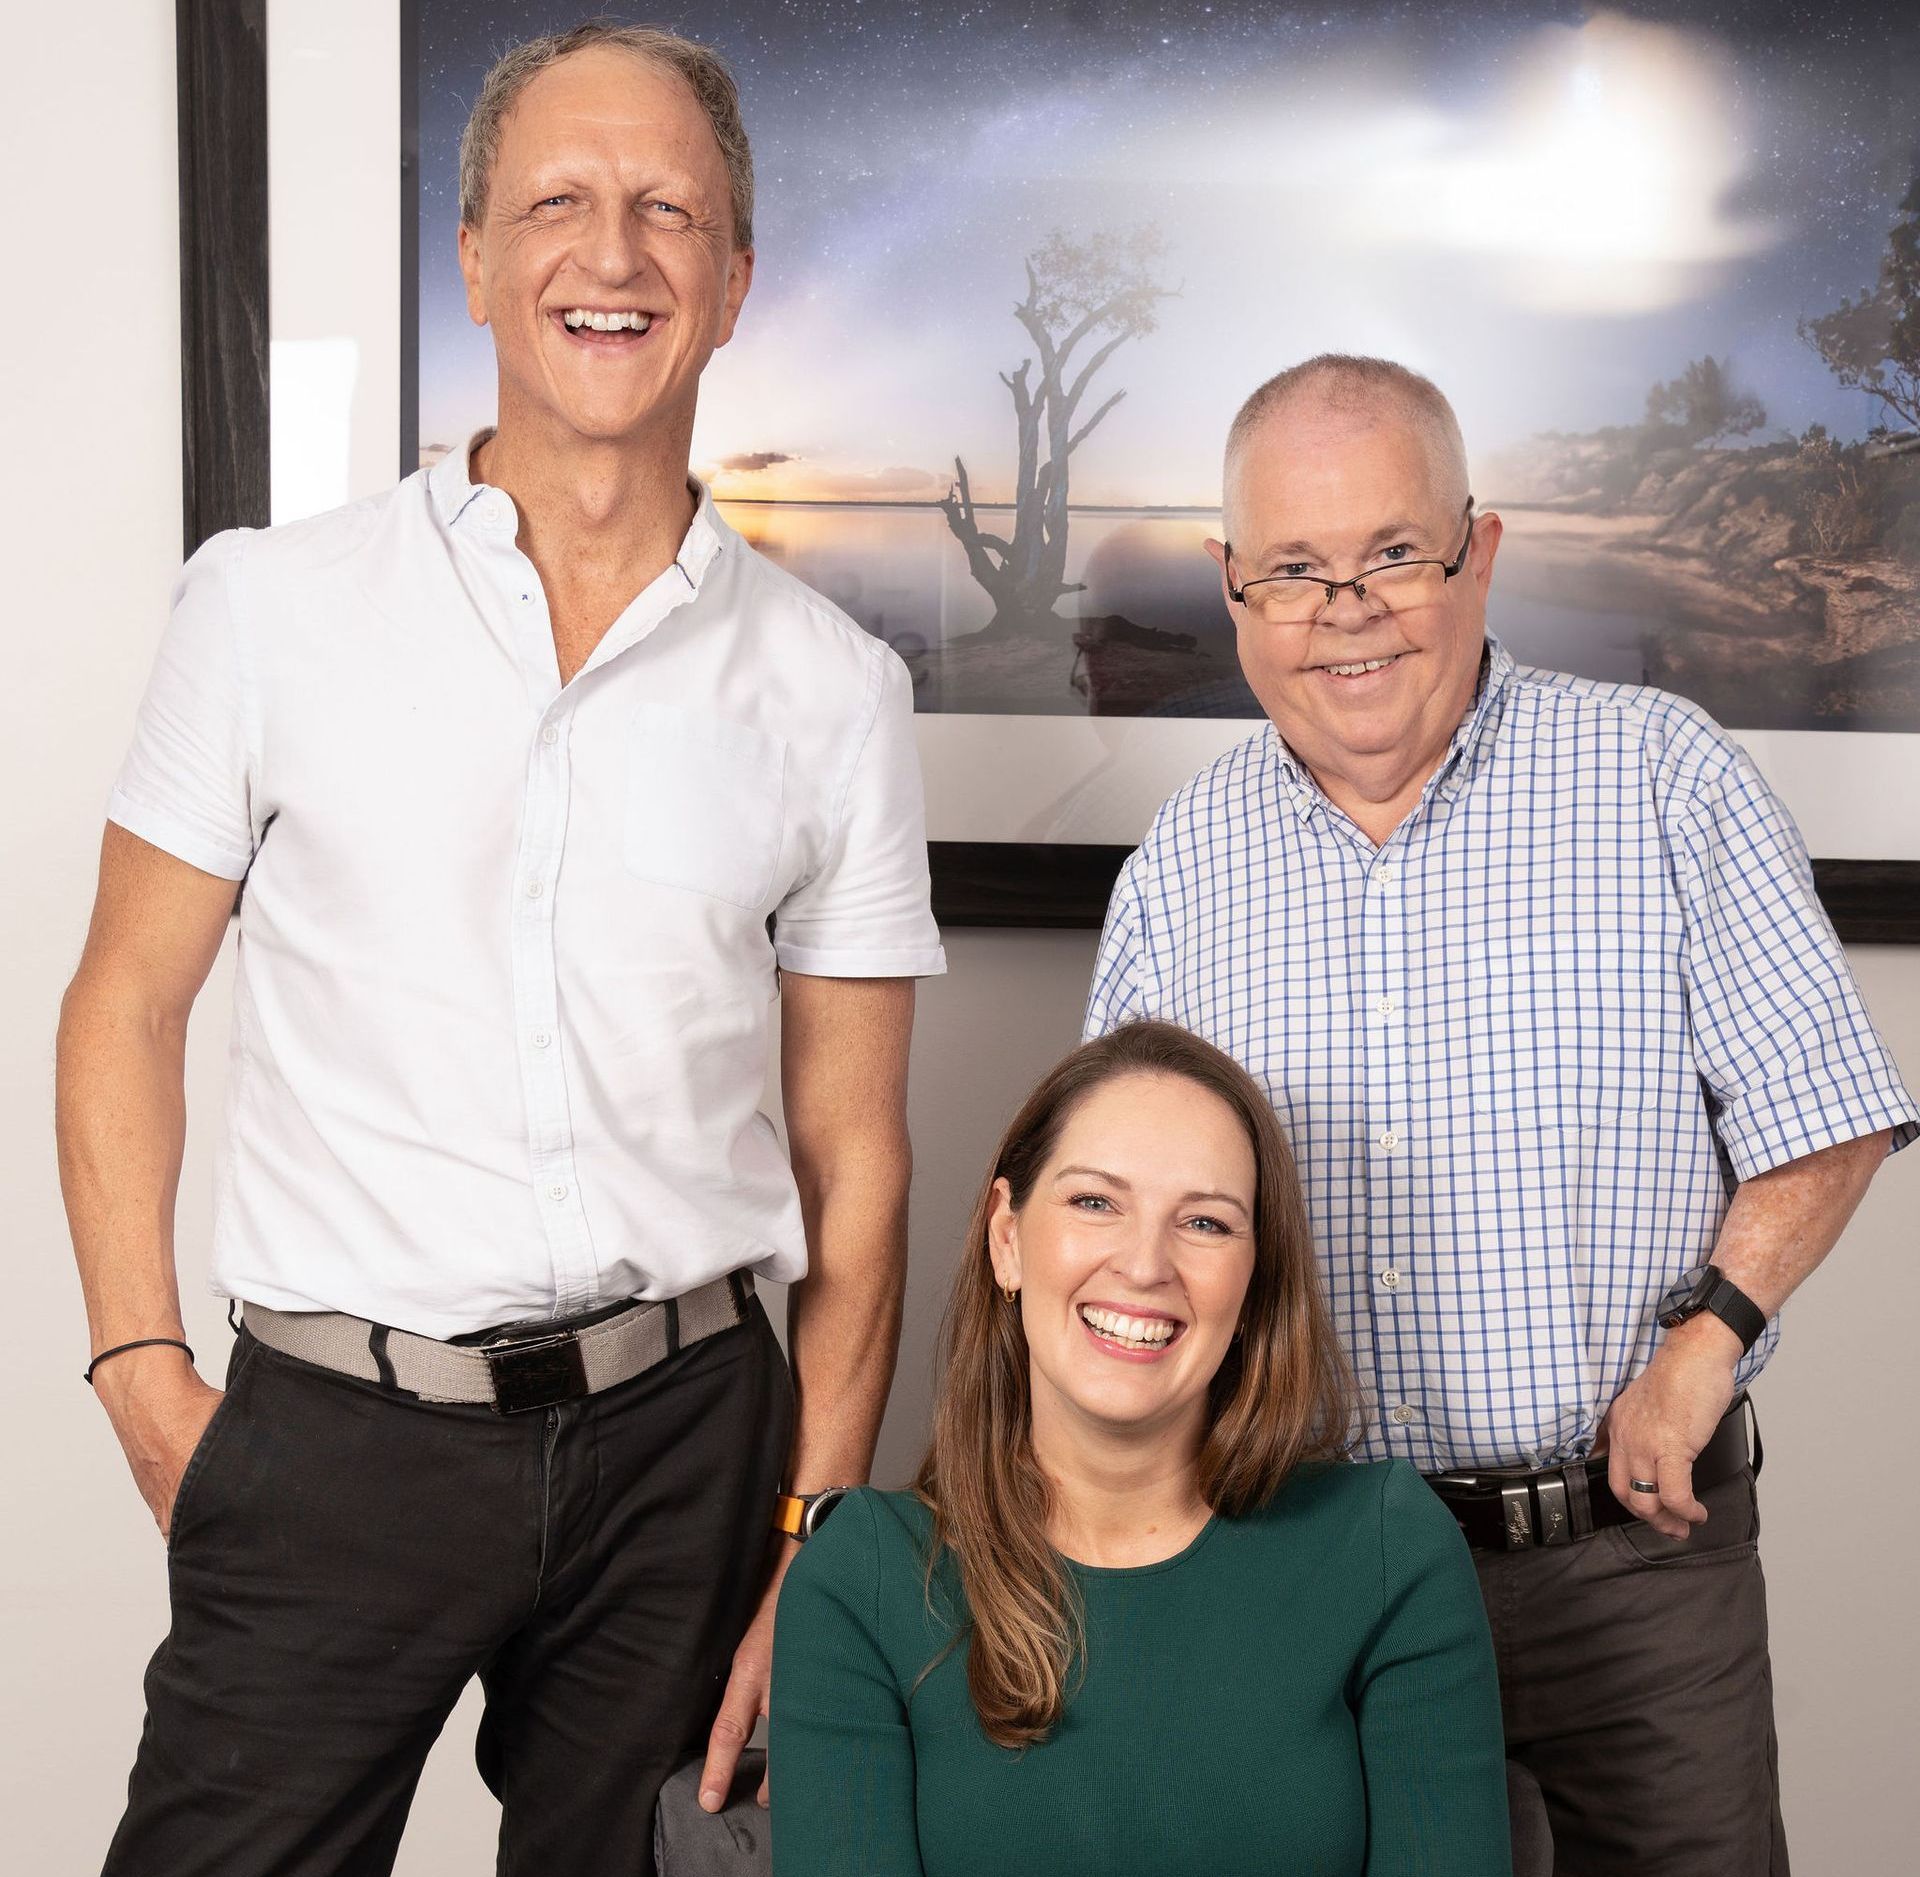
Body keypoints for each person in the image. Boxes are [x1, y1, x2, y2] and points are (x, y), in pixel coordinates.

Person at [56, 23, 944, 1875]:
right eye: (556, 203)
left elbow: (857, 1157)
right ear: (470, 259)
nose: (609, 254)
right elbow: (127, 1000)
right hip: (332, 1441)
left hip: (687, 1447)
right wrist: (143, 1365)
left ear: (730, 281)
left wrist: (815, 1538)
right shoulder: (264, 609)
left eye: (665, 212)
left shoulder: (836, 688)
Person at [1084, 353, 1919, 1874]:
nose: (1348, 610)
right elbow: (1115, 1234)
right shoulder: (1179, 870)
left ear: (1482, 549)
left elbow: (1830, 1109)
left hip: (1626, 1570)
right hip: (1303, 1587)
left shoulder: (1664, 776)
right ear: (1230, 585)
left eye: (1393, 553)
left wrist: (1703, 1350)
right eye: (1296, 569)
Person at [769, 1020, 1512, 1875]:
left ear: (1256, 1277)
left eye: (1205, 1221)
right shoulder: (859, 1578)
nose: (1146, 1263)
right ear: (1006, 1236)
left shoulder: (1387, 1546)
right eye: (1095, 1202)